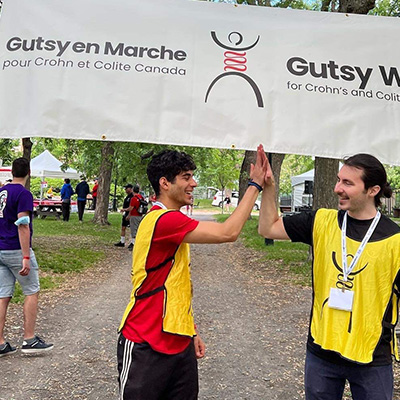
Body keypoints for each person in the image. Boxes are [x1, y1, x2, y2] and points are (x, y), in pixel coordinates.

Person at [117, 145, 267, 400]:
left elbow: (176, 285)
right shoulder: (163, 220)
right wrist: (255, 185)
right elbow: (227, 233)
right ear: (164, 183)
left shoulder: (173, 220)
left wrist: (192, 330)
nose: (194, 183)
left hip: (179, 341)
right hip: (145, 341)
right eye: (186, 177)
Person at [258, 152, 399, 400]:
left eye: (348, 183)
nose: (337, 189)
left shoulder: (395, 240)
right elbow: (267, 228)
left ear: (373, 190)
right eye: (338, 180)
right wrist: (268, 187)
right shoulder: (321, 221)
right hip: (322, 351)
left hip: (372, 356)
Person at [0, 157, 53, 356]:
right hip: (16, 249)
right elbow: (23, 225)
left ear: (12, 172)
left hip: (1, 248)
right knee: (31, 290)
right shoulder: (24, 194)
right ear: (28, 172)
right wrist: (25, 257)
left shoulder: (2, 192)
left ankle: (1, 342)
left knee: (3, 295)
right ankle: (29, 339)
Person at [125, 184, 145, 251]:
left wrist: (124, 209)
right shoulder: (141, 197)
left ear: (133, 190)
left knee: (134, 230)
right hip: (140, 215)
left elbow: (131, 208)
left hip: (134, 216)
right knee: (138, 229)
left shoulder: (134, 198)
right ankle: (135, 243)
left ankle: (134, 244)